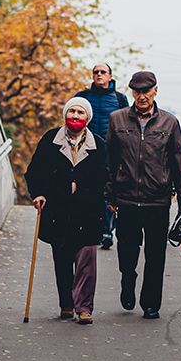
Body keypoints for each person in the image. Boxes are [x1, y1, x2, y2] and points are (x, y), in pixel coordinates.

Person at [103, 70, 181, 319]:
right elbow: (110, 161)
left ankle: (151, 303)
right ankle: (128, 279)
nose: (142, 96)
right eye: (137, 91)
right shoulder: (117, 120)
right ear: (132, 92)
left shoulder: (169, 123)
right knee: (127, 251)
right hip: (126, 198)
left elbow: (178, 162)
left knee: (155, 255)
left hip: (157, 199)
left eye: (146, 90)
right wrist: (109, 195)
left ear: (155, 90)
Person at [25, 97, 109, 324]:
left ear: (87, 118)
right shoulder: (50, 140)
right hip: (58, 210)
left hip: (88, 210)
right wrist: (38, 194)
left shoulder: (98, 144)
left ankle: (84, 308)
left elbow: (105, 176)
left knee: (87, 261)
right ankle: (66, 303)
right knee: (62, 258)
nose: (75, 116)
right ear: (65, 115)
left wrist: (83, 186)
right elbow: (34, 171)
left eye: (80, 113)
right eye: (71, 111)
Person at [77, 63, 130, 246]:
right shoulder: (82, 97)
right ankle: (93, 228)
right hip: (87, 150)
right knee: (91, 189)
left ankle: (107, 230)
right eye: (96, 72)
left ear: (110, 76)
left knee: (109, 190)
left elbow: (128, 125)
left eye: (102, 72)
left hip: (112, 151)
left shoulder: (120, 99)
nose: (99, 75)